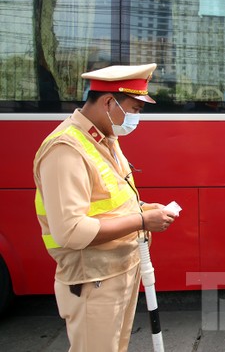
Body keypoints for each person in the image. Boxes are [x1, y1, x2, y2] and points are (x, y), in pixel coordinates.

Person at [33, 63, 178, 352]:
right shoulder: (66, 149)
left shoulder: (105, 138)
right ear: (109, 102)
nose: (137, 118)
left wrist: (146, 210)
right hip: (92, 280)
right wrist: (142, 221)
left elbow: (112, 201)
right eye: (135, 109)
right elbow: (71, 231)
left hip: (117, 272)